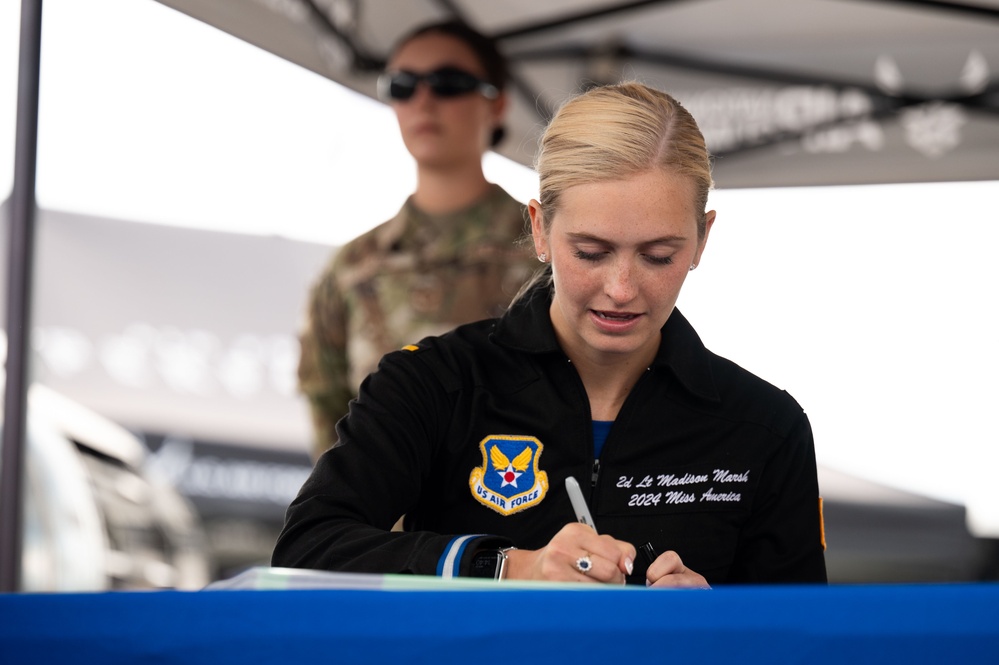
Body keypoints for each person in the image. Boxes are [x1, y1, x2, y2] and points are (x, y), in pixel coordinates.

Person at [273, 81, 828, 587]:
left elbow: (808, 641)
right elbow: (307, 549)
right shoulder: (434, 384)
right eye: (591, 251)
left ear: (703, 239)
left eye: (659, 256)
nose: (621, 287)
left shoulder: (765, 428)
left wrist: (716, 624)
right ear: (539, 228)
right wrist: (508, 565)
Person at [297, 20, 537, 459]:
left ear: (497, 104)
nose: (423, 101)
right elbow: (328, 417)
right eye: (402, 85)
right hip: (386, 523)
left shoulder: (549, 252)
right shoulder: (352, 268)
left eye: (449, 83)